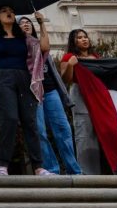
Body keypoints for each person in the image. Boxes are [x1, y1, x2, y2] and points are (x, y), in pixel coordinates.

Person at [0, 6, 52, 176]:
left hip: (25, 79)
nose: (9, 13)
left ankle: (38, 167)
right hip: (1, 79)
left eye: (11, 10)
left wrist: (41, 24)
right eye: (3, 11)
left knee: (29, 122)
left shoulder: (25, 38)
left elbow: (44, 48)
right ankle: (3, 165)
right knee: (9, 118)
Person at [18, 16, 81, 176]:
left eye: (28, 23)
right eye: (21, 24)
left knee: (63, 129)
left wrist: (41, 23)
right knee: (40, 132)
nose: (25, 25)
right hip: (33, 93)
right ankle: (52, 169)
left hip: (51, 91)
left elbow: (45, 46)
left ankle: (74, 169)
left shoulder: (40, 44)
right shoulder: (16, 47)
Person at [58, 28, 102, 174]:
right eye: (79, 38)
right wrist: (71, 65)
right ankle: (86, 172)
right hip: (80, 94)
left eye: (85, 37)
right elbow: (65, 79)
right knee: (84, 132)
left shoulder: (96, 57)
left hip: (98, 96)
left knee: (102, 131)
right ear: (74, 41)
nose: (84, 39)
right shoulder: (68, 57)